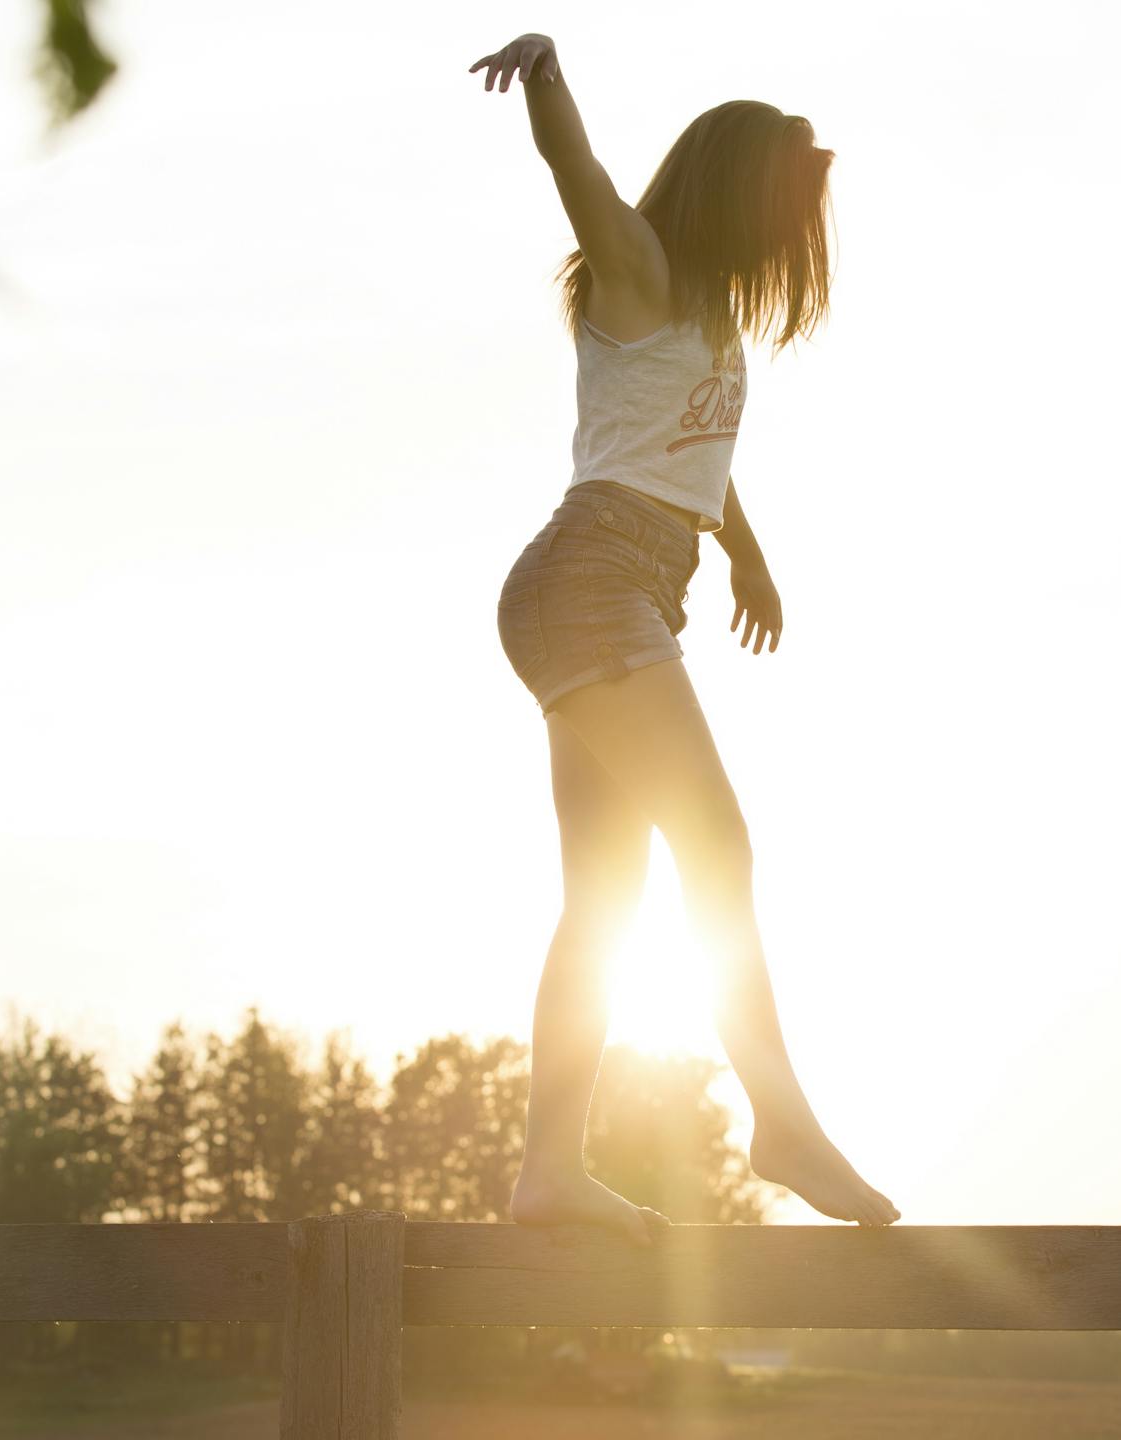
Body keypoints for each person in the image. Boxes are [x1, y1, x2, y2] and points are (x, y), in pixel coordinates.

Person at [468, 32, 899, 1245]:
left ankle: (547, 1171)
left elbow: (692, 455)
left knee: (602, 898)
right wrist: (547, 76)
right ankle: (782, 1118)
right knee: (719, 842)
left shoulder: (705, 316)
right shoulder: (640, 268)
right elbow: (578, 175)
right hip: (588, 579)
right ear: (727, 192)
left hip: (620, 590)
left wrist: (744, 549)